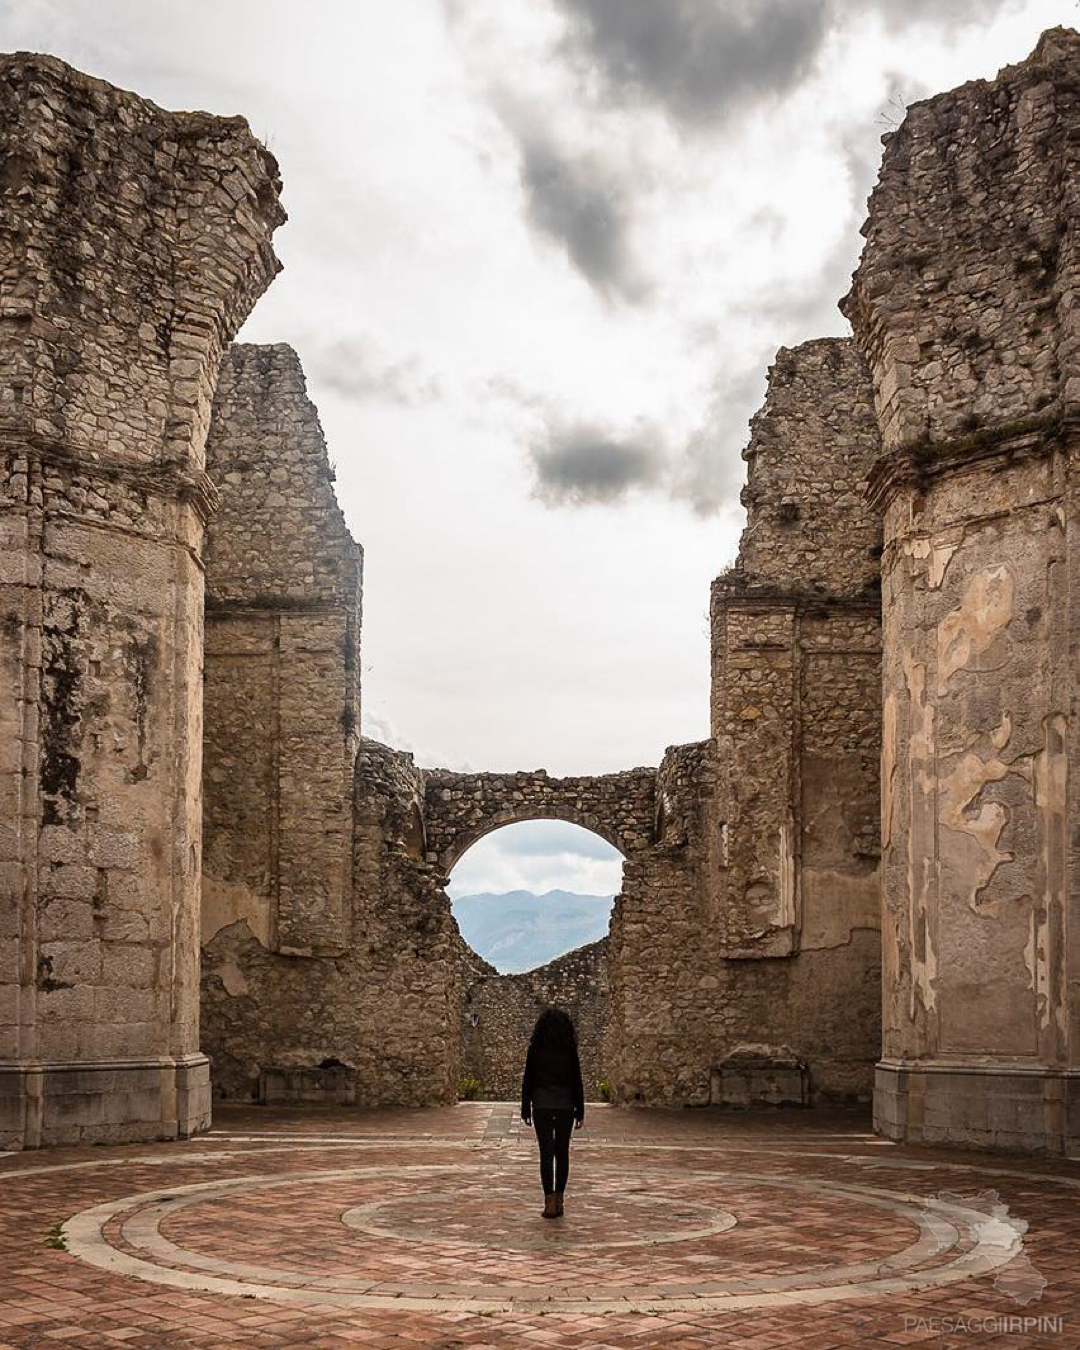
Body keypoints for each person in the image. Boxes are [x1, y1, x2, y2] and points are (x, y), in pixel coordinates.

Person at [520, 1006, 585, 1218]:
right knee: (562, 1153)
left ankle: (548, 1201)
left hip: (542, 1105)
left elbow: (528, 1079)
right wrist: (580, 1109)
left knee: (546, 1154)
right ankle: (560, 1199)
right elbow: (577, 1081)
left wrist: (525, 1107)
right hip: (565, 1105)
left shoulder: (535, 1049)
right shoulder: (569, 1050)